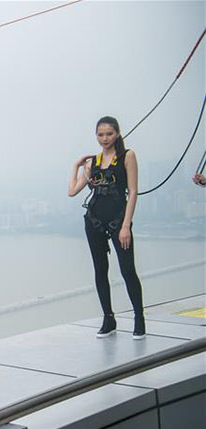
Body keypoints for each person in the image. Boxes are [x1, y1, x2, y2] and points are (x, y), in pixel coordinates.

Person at [68, 116, 145, 339]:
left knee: (127, 270)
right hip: (94, 221)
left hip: (118, 221)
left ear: (117, 133)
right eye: (100, 135)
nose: (105, 138)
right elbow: (72, 191)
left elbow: (133, 192)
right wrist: (76, 166)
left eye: (109, 134)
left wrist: (126, 226)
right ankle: (108, 319)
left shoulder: (127, 156)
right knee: (100, 270)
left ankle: (139, 319)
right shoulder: (93, 162)